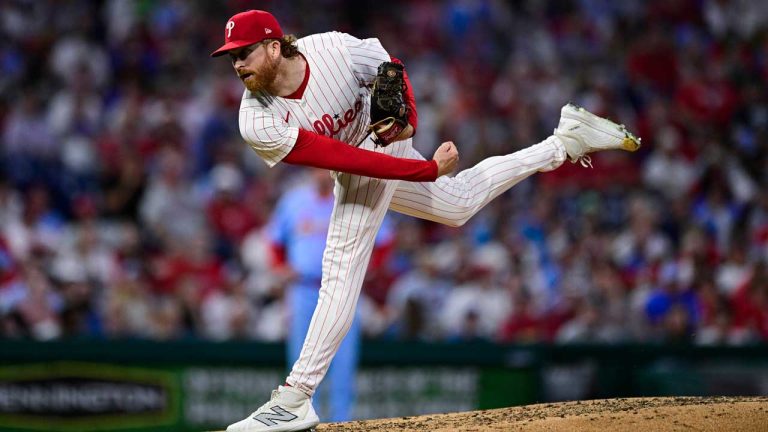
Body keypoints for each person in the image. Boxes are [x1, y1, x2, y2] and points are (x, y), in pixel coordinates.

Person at [211, 9, 640, 432]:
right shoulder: (256, 119)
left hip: (386, 137)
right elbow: (339, 158)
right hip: (362, 160)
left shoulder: (334, 49)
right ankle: (563, 143)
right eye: (231, 57)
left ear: (273, 46)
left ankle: (295, 397)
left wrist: (410, 123)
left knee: (340, 268)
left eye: (244, 52)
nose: (237, 64)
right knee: (456, 204)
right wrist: (427, 171)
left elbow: (392, 70)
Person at [269, 168, 392, 422]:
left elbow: (385, 239)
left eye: (326, 169)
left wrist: (370, 267)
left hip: (343, 288)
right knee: (299, 362)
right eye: (316, 169)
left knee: (343, 362)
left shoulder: (354, 195)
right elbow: (274, 241)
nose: (321, 174)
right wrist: (281, 268)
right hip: (303, 289)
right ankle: (298, 421)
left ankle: (341, 420)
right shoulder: (293, 201)